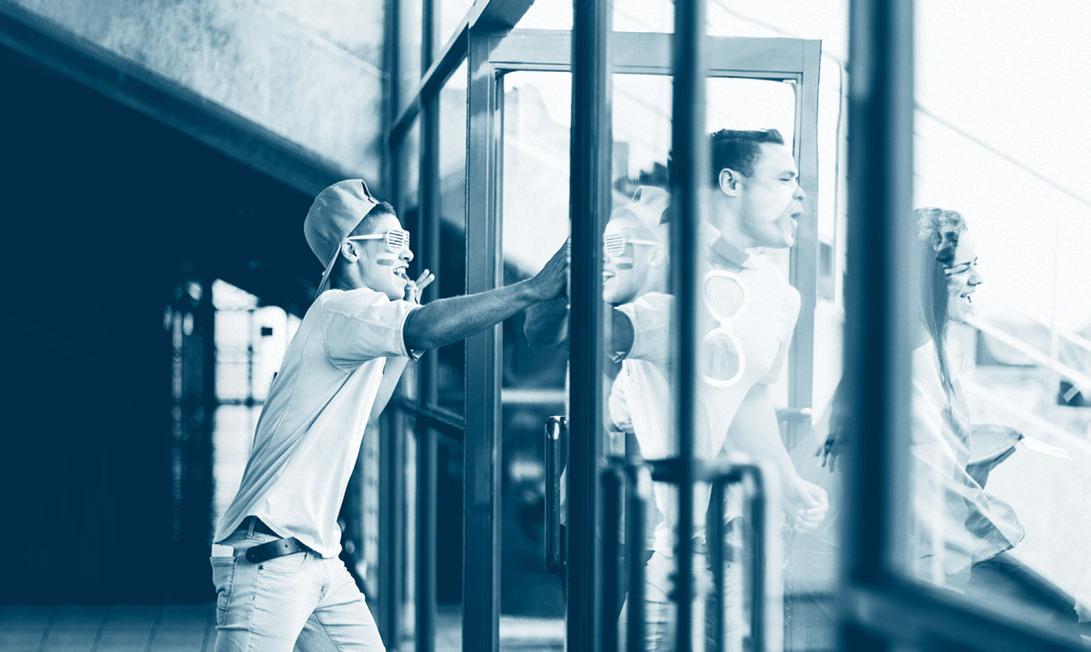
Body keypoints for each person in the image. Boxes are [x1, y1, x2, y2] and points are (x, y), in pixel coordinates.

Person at [211, 179, 570, 651]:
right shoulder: (341, 310)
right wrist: (532, 290)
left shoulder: (353, 323)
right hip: (269, 559)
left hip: (317, 556)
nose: (406, 254)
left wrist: (404, 342)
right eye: (394, 242)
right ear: (351, 253)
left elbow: (368, 414)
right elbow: (429, 326)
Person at [526, 129, 829, 651]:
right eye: (784, 178)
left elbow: (746, 399)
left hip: (741, 541)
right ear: (731, 184)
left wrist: (789, 481)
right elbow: (546, 331)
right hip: (659, 537)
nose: (801, 194)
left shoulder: (781, 297)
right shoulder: (658, 264)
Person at [798, 207, 1023, 592]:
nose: (978, 278)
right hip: (885, 570)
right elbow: (923, 483)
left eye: (977, 263)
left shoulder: (927, 345)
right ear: (926, 279)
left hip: (900, 557)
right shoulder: (904, 361)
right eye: (964, 268)